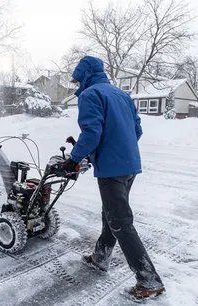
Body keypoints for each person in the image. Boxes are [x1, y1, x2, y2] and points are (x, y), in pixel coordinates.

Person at [62, 56, 165, 299]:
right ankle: (100, 258)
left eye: (78, 80)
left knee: (120, 222)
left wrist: (73, 159)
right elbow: (137, 129)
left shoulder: (90, 95)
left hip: (112, 169)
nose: (77, 85)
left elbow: (92, 132)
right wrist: (120, 150)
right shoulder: (122, 95)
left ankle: (149, 281)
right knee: (112, 215)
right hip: (130, 166)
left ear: (85, 75)